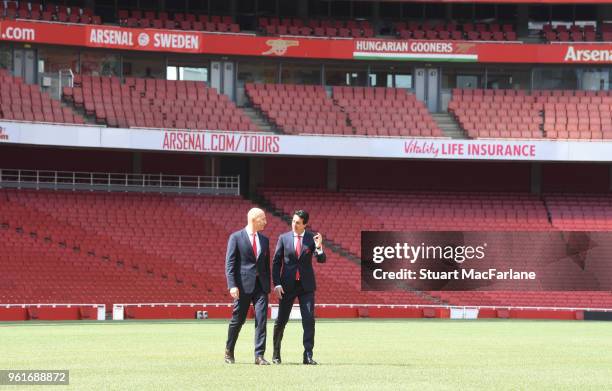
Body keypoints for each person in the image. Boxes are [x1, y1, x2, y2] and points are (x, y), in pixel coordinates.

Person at [272, 210, 326, 365]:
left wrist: (319, 247)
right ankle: (276, 354)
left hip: (306, 286)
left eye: (297, 222)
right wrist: (277, 283)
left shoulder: (311, 238)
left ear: (305, 224)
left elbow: (321, 259)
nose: (294, 224)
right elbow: (276, 262)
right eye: (293, 221)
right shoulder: (283, 238)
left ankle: (308, 355)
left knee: (309, 320)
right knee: (281, 320)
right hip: (287, 286)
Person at [224, 207, 271, 365]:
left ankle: (259, 356)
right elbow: (230, 264)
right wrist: (232, 285)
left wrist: (268, 286)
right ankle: (229, 351)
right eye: (262, 219)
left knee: (262, 319)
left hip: (261, 287)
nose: (265, 221)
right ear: (253, 219)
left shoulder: (265, 240)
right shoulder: (236, 237)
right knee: (238, 320)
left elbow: (265, 265)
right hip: (242, 286)